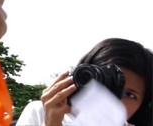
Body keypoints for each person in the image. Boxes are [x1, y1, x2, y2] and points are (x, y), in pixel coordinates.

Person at [16, 38, 153, 126]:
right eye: (109, 85)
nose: (115, 98)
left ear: (141, 105)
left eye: (130, 95)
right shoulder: (40, 112)